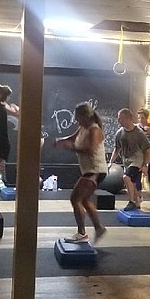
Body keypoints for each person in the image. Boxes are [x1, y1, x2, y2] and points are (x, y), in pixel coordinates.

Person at [53, 102, 109, 243]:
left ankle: (82, 233)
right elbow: (72, 138)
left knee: (75, 198)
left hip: (95, 170)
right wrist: (60, 141)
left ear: (86, 116)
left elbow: (90, 150)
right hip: (89, 170)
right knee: (84, 199)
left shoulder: (94, 130)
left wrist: (70, 148)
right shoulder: (83, 128)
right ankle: (99, 228)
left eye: (78, 117)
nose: (77, 120)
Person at [108, 108, 150, 211]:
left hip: (137, 161)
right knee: (132, 183)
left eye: (120, 119)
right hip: (127, 162)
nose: (118, 121)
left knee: (126, 178)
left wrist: (146, 165)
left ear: (127, 118)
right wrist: (111, 162)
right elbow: (117, 148)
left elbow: (149, 150)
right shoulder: (120, 133)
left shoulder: (139, 133)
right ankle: (137, 202)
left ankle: (132, 201)